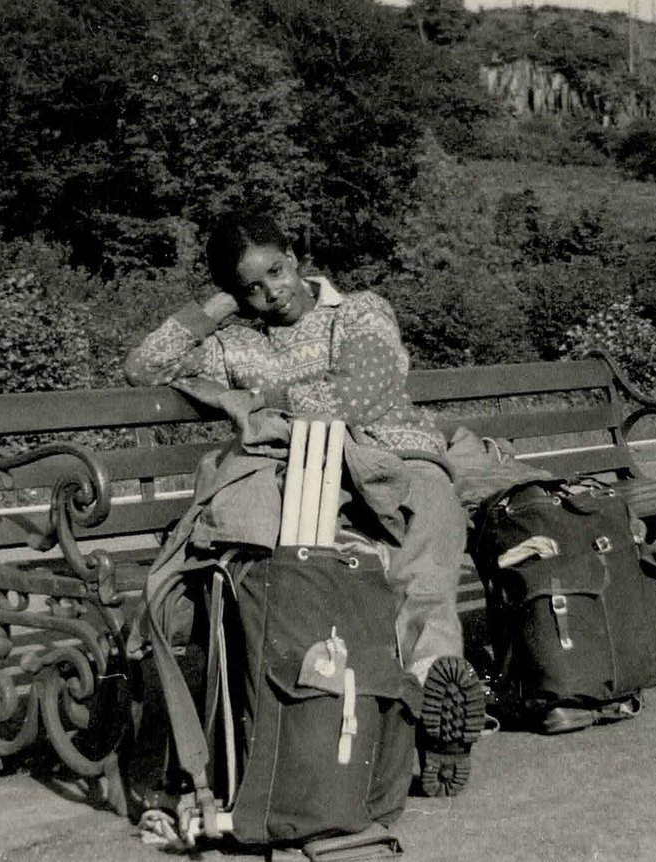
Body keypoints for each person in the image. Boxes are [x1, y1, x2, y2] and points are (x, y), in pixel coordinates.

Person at [124, 209, 485, 796]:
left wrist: (259, 398)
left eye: (276, 270)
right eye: (252, 288)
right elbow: (145, 366)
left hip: (389, 455)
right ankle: (328, 721)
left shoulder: (359, 310)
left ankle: (431, 694)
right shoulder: (235, 339)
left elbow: (368, 390)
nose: (273, 293)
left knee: (431, 518)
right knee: (296, 569)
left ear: (293, 255)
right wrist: (216, 310)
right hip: (302, 473)